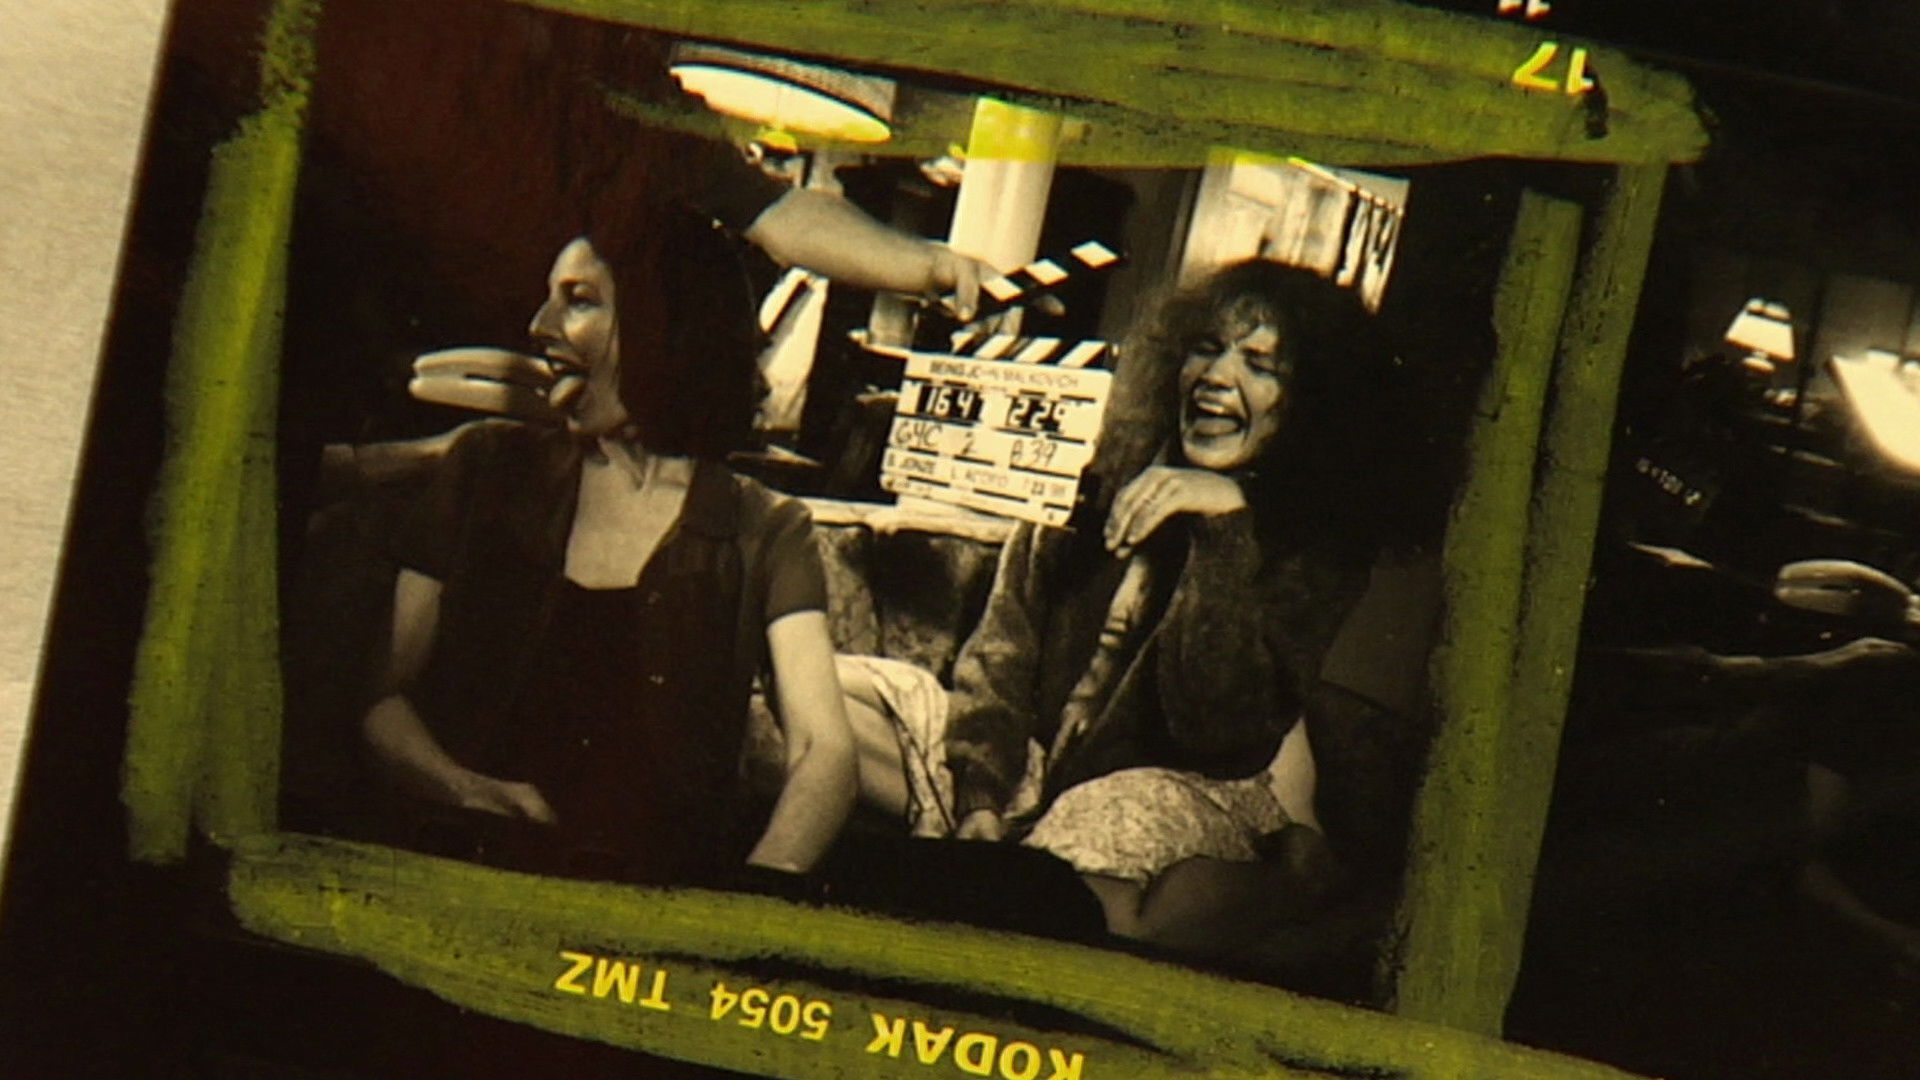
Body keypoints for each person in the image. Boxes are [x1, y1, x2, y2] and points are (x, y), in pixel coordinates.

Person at [841, 260, 1385, 951]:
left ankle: (1291, 876)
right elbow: (1000, 656)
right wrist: (980, 795)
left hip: (1176, 784)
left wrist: (1222, 531)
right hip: (1035, 765)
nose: (1217, 377)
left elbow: (1215, 726)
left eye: (1260, 365)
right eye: (1206, 348)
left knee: (1056, 886)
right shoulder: (1095, 485)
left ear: (1306, 406)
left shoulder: (1310, 552)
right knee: (815, 699)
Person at [361, 209, 855, 885]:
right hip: (460, 871)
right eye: (548, 299)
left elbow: (824, 751)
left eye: (580, 301)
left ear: (666, 329)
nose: (540, 326)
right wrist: (467, 793)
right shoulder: (486, 470)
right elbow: (380, 696)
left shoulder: (764, 526)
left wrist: (754, 894)